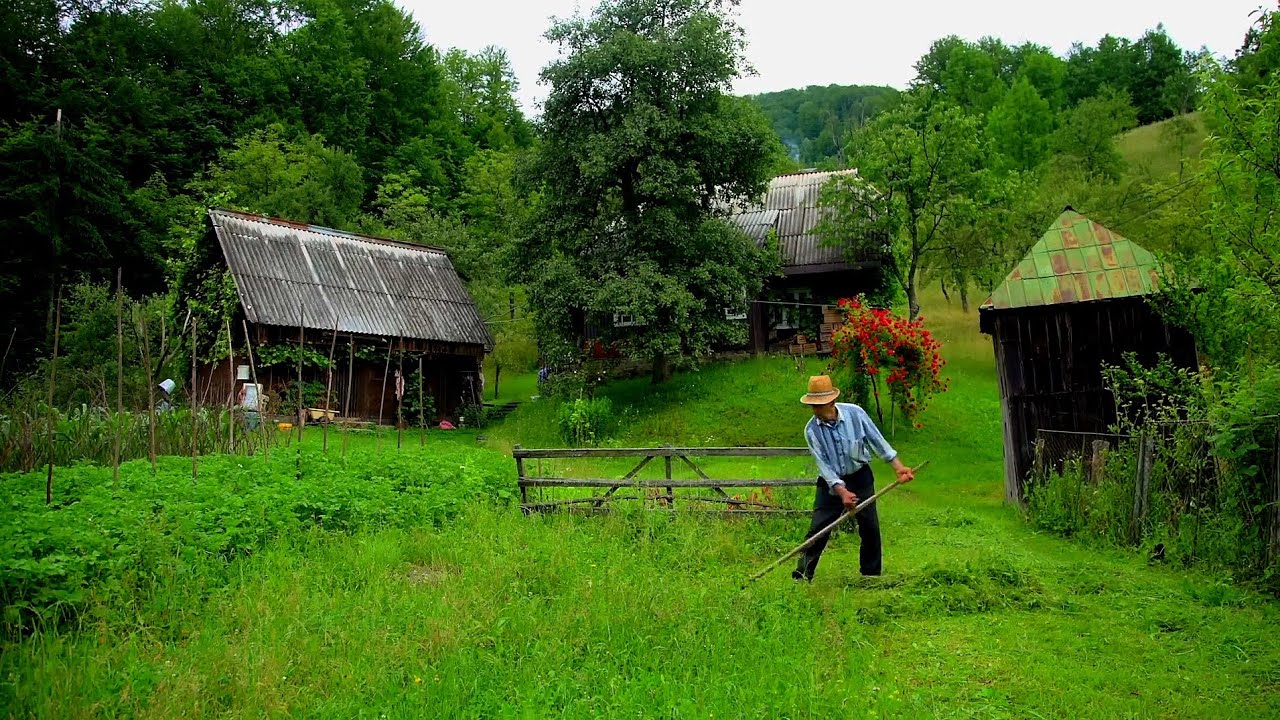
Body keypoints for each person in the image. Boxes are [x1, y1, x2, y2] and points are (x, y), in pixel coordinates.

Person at [794, 375, 915, 582]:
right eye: (812, 405)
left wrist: (899, 467)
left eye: (818, 405)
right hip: (831, 484)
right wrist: (841, 491)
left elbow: (878, 441)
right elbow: (824, 466)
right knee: (818, 528)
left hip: (860, 477)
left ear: (831, 402)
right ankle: (803, 574)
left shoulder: (855, 414)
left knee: (869, 527)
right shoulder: (811, 430)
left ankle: (871, 576)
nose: (814, 410)